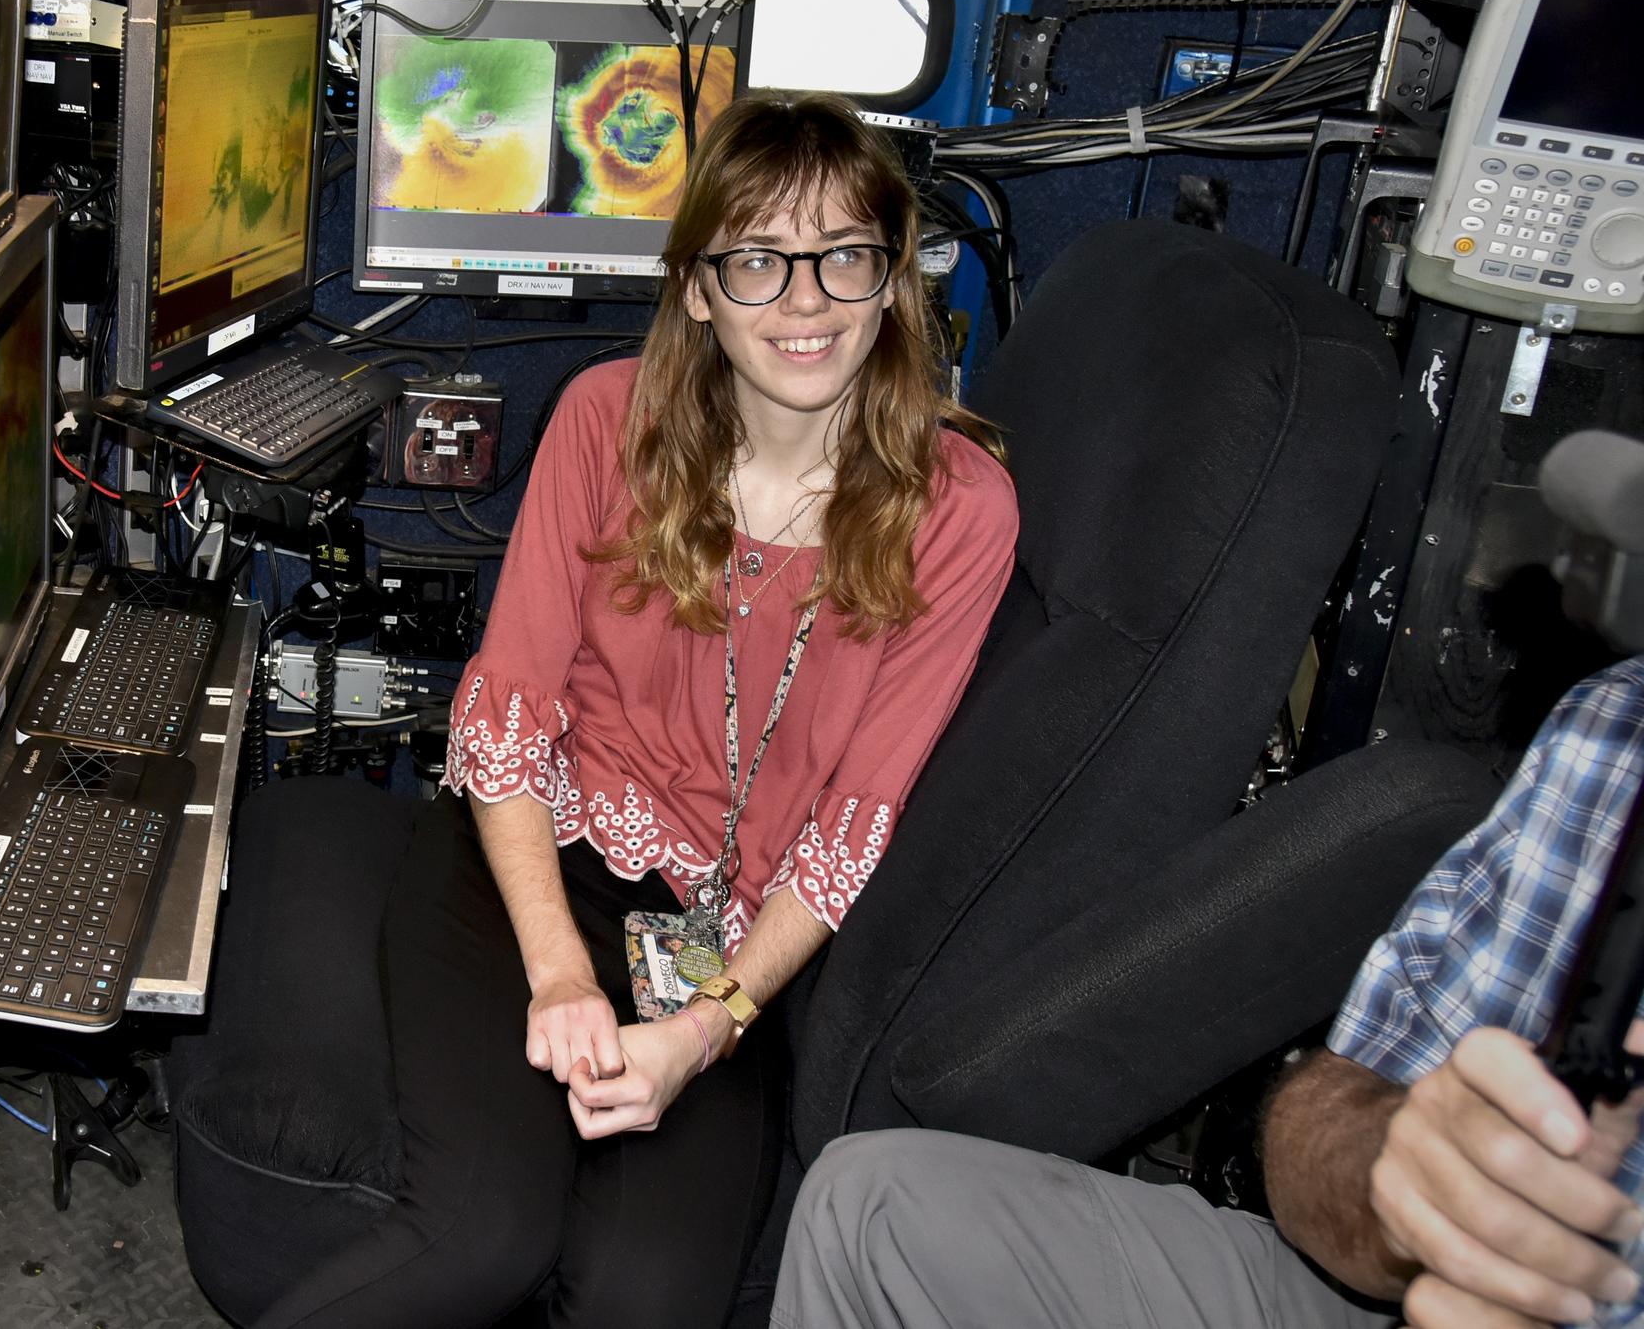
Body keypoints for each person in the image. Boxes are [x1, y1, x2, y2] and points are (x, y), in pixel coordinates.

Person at [255, 95, 1019, 1329]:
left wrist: (706, 1031)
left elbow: (852, 824)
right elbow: (502, 720)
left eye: (844, 256)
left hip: (730, 938)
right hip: (531, 863)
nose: (805, 299)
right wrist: (561, 975)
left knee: (645, 1297)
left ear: (892, 284)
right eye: (758, 259)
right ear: (699, 289)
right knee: (480, 1233)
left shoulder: (961, 508)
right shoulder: (608, 420)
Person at [776, 652, 1644, 1329]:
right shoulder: (1613, 728)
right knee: (873, 1203)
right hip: (1406, 1297)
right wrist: (1408, 1175)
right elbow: (1331, 1114)